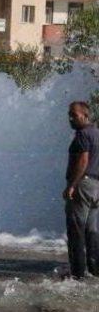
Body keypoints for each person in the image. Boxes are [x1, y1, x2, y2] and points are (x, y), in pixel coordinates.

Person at [64, 101, 99, 279]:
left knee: (76, 230)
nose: (70, 118)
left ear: (85, 116)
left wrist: (72, 185)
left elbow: (83, 162)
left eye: (74, 115)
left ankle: (77, 275)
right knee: (91, 231)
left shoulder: (83, 134)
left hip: (83, 185)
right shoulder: (97, 133)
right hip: (96, 187)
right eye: (69, 114)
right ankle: (95, 271)